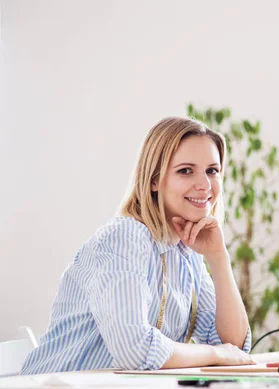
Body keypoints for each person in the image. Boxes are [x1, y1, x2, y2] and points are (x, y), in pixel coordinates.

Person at [21, 117, 255, 375]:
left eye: (212, 170)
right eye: (186, 170)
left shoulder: (185, 252)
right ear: (154, 180)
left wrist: (218, 258)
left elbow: (234, 346)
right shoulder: (125, 236)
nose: (204, 185)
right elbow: (135, 349)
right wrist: (215, 354)